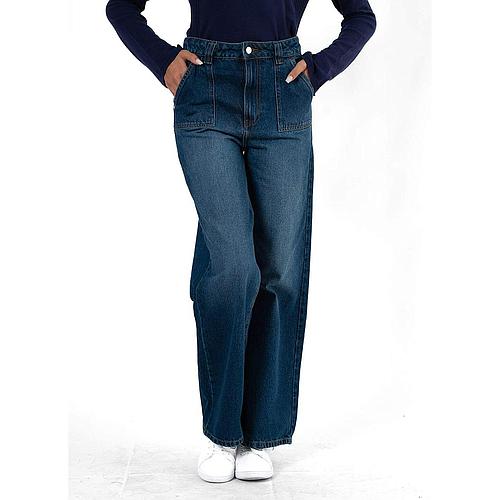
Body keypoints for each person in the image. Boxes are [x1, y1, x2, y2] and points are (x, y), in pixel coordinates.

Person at [106, 0, 376, 483]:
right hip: (206, 87)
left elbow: (361, 16)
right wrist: (162, 60)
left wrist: (318, 70)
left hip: (282, 92)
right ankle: (222, 433)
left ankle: (260, 436)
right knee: (232, 268)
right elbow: (121, 8)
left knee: (278, 271)